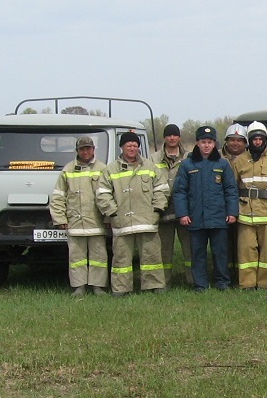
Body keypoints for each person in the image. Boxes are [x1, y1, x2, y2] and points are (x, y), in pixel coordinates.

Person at [96, 131, 169, 296]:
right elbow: (102, 193)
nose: (132, 148)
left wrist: (157, 210)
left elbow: (162, 190)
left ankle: (155, 285)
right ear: (122, 147)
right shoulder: (111, 169)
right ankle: (121, 288)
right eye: (129, 145)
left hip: (147, 221)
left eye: (135, 145)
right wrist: (113, 213)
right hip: (122, 222)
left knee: (152, 256)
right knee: (121, 258)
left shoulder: (150, 167)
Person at [173, 126, 239, 291]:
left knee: (220, 253)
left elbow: (230, 190)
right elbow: (180, 191)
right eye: (203, 142)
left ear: (214, 144)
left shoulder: (222, 164)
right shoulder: (187, 164)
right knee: (198, 254)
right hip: (196, 218)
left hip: (218, 218)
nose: (207, 146)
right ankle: (200, 284)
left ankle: (222, 282)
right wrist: (182, 213)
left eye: (210, 142)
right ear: (197, 143)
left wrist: (232, 212)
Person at [50, 136, 108, 296]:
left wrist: (109, 218)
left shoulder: (103, 169)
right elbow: (58, 196)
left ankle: (98, 286)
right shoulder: (67, 170)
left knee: (99, 256)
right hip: (74, 223)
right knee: (76, 257)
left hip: (96, 222)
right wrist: (60, 219)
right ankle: (79, 286)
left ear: (93, 149)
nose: (85, 152)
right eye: (82, 149)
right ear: (77, 151)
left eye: (88, 148)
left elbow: (109, 196)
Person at [233, 122, 267, 289]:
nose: (257, 142)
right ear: (249, 141)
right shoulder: (240, 161)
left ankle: (266, 283)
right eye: (254, 139)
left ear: (265, 140)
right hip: (246, 215)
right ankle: (247, 283)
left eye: (260, 139)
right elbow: (233, 185)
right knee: (246, 251)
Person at [151, 123, 191, 286]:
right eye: (169, 135)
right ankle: (163, 282)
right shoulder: (153, 159)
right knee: (164, 250)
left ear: (179, 137)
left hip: (185, 211)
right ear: (164, 138)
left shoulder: (189, 157)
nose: (172, 138)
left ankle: (192, 280)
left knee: (190, 249)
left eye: (175, 135)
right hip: (163, 210)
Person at [220, 123, 249, 285]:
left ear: (245, 142)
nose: (235, 143)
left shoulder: (251, 158)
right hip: (221, 207)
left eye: (240, 140)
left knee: (243, 244)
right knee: (224, 244)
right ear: (226, 141)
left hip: (244, 206)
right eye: (232, 140)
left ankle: (241, 274)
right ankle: (226, 274)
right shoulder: (216, 157)